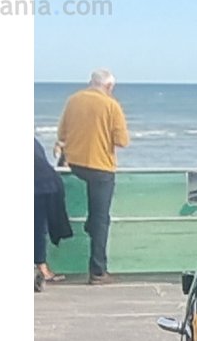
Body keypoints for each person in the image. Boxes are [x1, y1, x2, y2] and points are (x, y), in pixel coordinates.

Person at [56, 69, 130, 284]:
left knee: (94, 217)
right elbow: (122, 141)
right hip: (101, 168)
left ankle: (89, 226)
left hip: (74, 165)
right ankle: (98, 270)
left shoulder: (73, 100)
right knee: (101, 219)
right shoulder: (111, 105)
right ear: (108, 87)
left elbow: (62, 134)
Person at [34, 138, 72, 291]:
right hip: (46, 183)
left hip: (41, 185)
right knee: (37, 227)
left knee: (37, 227)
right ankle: (41, 267)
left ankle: (42, 268)